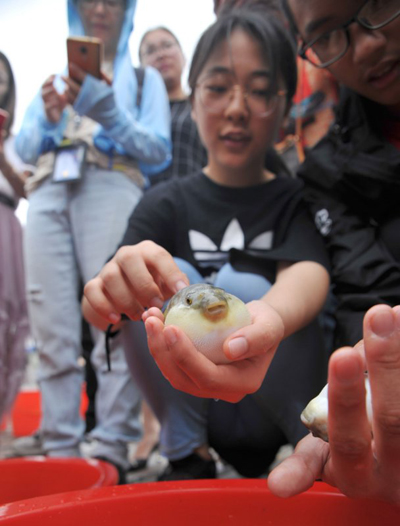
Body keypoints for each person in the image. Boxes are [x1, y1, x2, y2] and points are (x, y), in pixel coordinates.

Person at [83, 7, 331, 480]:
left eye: (259, 91)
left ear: (283, 108)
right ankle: (185, 453)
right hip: (192, 405)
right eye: (218, 88)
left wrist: (270, 317)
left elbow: (309, 269)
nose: (237, 107)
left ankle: (303, 441)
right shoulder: (164, 202)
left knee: (242, 281)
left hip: (280, 402)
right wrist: (107, 287)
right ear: (192, 99)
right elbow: (99, 302)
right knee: (149, 276)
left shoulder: (295, 197)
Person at [14, 0, 171, 481]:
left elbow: (158, 150)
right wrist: (46, 117)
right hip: (46, 191)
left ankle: (110, 447)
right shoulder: (55, 79)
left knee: (116, 313)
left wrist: (108, 112)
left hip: (111, 182)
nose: (100, 9)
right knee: (52, 325)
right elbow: (21, 148)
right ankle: (61, 449)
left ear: (127, 11)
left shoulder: (145, 80)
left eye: (112, 2)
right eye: (89, 1)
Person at [279, 0, 400, 349]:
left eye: (378, 5)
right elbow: (369, 296)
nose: (366, 46)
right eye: (328, 35)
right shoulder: (328, 175)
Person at [0, 51, 30, 423]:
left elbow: (27, 190)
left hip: (6, 225)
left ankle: (3, 415)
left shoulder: (18, 140)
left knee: (10, 318)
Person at [139, 26, 207, 184]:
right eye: (150, 51)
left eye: (167, 45)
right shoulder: (137, 116)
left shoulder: (202, 105)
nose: (161, 55)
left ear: (183, 56)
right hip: (146, 202)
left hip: (195, 199)